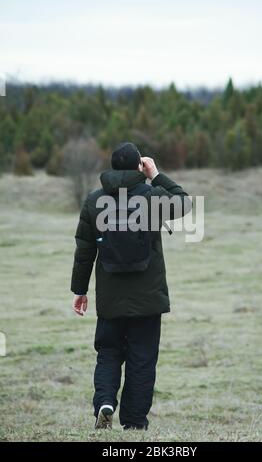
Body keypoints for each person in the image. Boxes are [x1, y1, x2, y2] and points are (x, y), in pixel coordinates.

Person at [71, 141, 191, 430]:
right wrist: (156, 174)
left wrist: (80, 290)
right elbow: (184, 201)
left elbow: (84, 250)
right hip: (147, 301)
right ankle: (135, 423)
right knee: (142, 360)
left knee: (109, 352)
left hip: (110, 300)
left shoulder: (94, 201)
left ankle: (104, 402)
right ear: (139, 166)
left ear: (113, 167)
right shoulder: (152, 197)